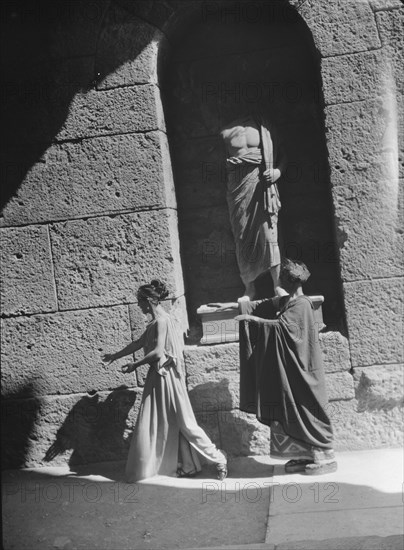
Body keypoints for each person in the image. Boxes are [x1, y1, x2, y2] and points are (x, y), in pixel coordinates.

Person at [213, 259, 337, 475]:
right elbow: (264, 305)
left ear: (290, 282)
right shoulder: (289, 300)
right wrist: (233, 306)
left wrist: (252, 320)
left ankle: (324, 456)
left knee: (308, 408)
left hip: (304, 370)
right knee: (289, 406)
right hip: (291, 369)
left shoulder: (302, 304)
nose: (279, 283)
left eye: (281, 280)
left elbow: (281, 327)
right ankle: (304, 453)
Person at [103, 279, 228, 483]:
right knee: (171, 422)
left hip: (166, 378)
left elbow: (157, 352)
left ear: (150, 300)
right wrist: (115, 356)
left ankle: (219, 458)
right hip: (159, 378)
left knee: (185, 422)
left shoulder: (162, 321)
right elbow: (138, 343)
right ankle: (188, 466)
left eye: (140, 301)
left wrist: (135, 365)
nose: (139, 305)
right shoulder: (156, 321)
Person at [220, 114, 286, 298]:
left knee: (269, 233)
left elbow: (282, 154)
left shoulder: (264, 126)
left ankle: (277, 284)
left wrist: (278, 172)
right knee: (242, 236)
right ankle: (249, 287)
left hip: (262, 186)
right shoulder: (224, 131)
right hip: (238, 190)